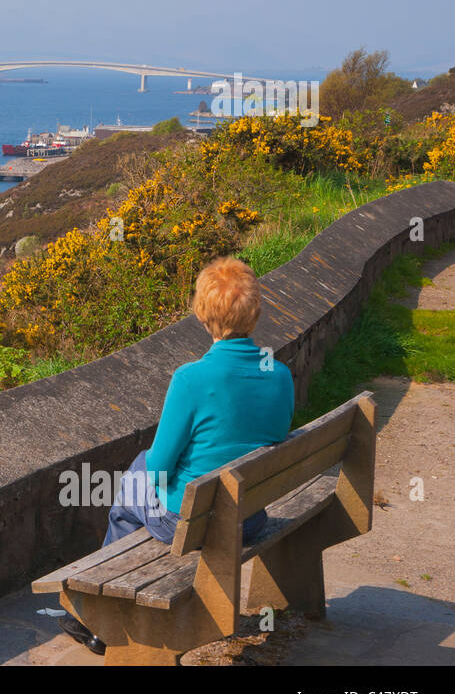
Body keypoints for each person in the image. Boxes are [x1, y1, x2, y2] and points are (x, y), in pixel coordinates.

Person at [59, 256, 296, 655]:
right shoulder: (280, 374)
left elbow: (161, 465)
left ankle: (99, 616)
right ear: (254, 312)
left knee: (133, 482)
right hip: (250, 518)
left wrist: (153, 471)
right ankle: (111, 611)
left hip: (191, 523)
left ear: (203, 314)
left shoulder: (191, 378)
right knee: (141, 477)